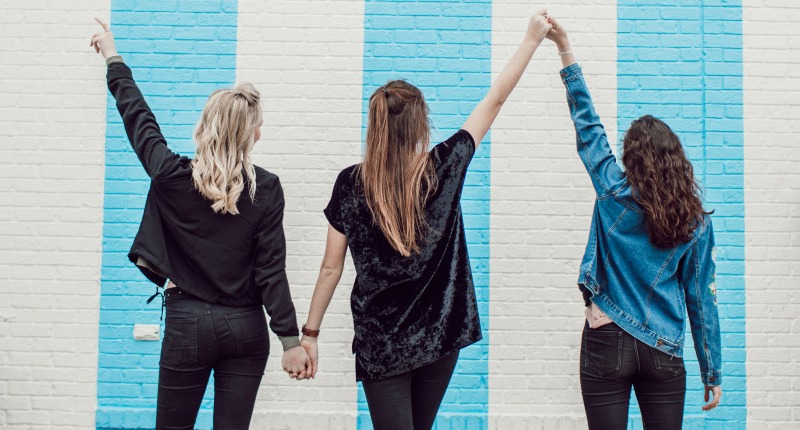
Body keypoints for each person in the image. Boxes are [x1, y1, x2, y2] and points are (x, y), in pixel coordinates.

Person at [296, 10, 554, 430]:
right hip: (439, 334)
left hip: (381, 340)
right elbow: (496, 100)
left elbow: (331, 266)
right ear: (420, 122)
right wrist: (531, 40)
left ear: (376, 124)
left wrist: (310, 335)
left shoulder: (350, 183)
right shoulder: (443, 167)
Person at [90, 18, 310, 429]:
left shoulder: (170, 174)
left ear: (205, 126)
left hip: (187, 322)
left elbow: (138, 117)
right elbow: (271, 271)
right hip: (245, 328)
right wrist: (290, 341)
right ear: (253, 136)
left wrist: (112, 55)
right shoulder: (267, 188)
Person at [544, 16, 723, 430]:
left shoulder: (612, 189)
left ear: (630, 159)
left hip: (606, 335)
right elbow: (702, 299)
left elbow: (587, 125)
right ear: (677, 161)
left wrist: (565, 48)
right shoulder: (695, 223)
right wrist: (711, 372)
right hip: (663, 349)